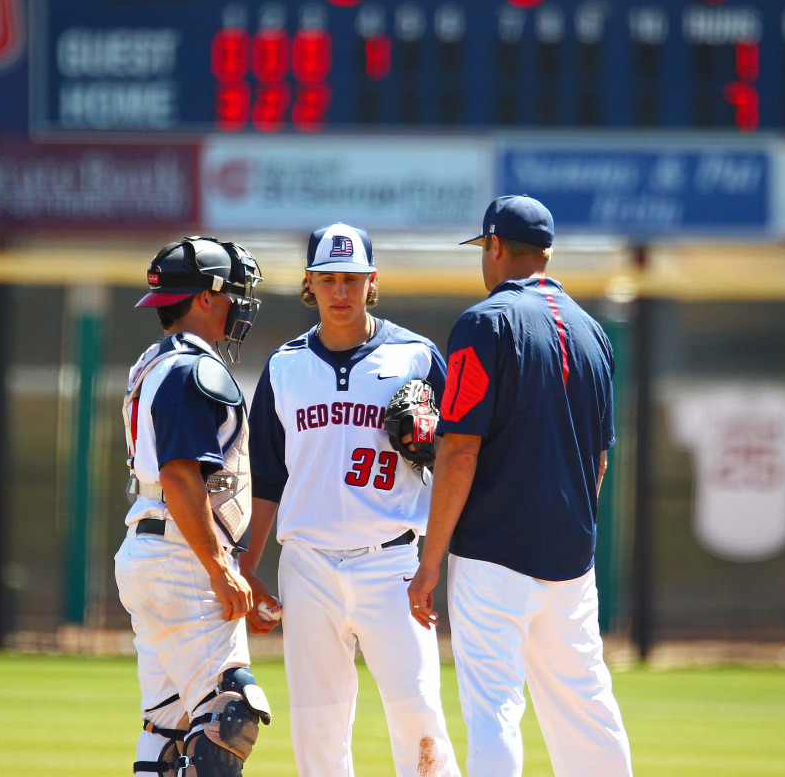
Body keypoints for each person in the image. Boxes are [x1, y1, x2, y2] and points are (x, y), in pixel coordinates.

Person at [407, 196, 633, 777]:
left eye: (485, 248)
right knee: (586, 706)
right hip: (571, 563)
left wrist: (430, 562)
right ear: (548, 254)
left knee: (495, 710)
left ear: (496, 247)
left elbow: (458, 450)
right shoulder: (594, 333)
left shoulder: (484, 323)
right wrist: (573, 537)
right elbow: (600, 460)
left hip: (493, 556)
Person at [242, 222, 461, 777]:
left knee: (419, 715)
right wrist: (246, 569)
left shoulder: (417, 357)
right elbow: (266, 481)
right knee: (318, 726)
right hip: (308, 564)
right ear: (309, 284)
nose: (341, 292)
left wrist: (436, 551)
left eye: (352, 279)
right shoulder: (285, 367)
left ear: (372, 282)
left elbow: (460, 455)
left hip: (392, 560)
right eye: (329, 279)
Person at [115, 235, 273, 777]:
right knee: (231, 716)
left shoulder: (153, 362)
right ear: (205, 297)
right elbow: (182, 478)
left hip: (152, 550)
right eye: (232, 291)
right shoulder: (191, 370)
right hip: (183, 560)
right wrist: (220, 569)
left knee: (167, 728)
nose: (239, 302)